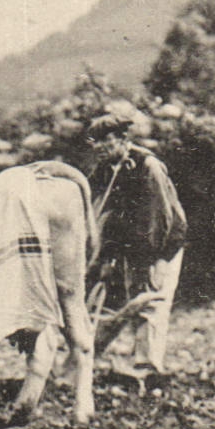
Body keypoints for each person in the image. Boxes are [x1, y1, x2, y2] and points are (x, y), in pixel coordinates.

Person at [85, 126, 188, 389]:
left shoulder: (147, 166)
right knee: (132, 300)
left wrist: (161, 259)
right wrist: (106, 256)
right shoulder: (106, 171)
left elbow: (160, 216)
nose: (100, 148)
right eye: (95, 142)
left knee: (152, 303)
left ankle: (148, 369)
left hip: (160, 244)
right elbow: (104, 212)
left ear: (123, 139)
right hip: (132, 246)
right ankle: (90, 359)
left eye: (106, 141)